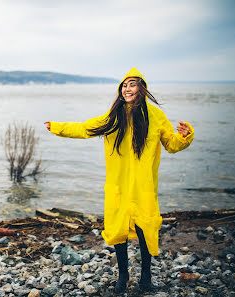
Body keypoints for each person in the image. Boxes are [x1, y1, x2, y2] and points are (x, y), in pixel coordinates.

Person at [44, 67, 194, 293]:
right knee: (118, 231)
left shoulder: (156, 116)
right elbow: (86, 128)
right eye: (124, 85)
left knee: (146, 229)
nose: (127, 89)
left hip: (144, 187)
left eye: (132, 84)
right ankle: (122, 276)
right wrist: (58, 127)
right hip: (118, 186)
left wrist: (185, 136)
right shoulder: (114, 116)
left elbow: (171, 144)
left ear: (142, 88)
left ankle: (146, 278)